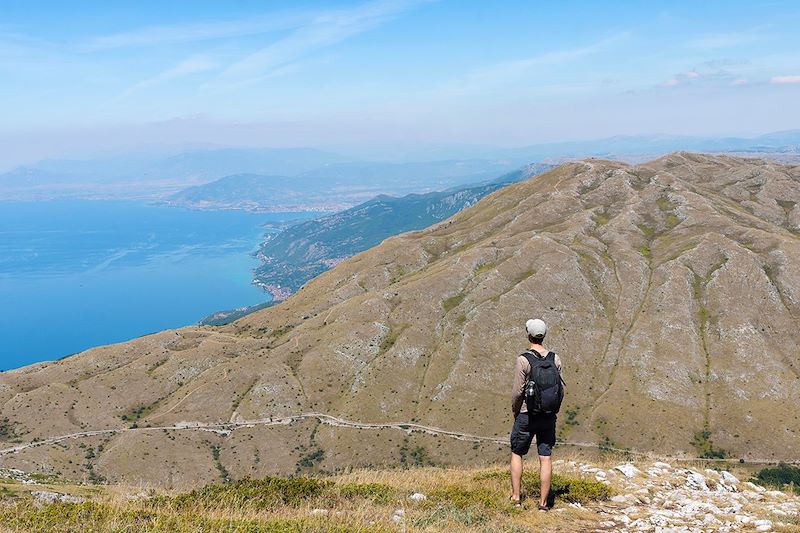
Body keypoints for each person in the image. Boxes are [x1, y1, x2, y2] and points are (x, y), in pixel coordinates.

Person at [509, 318, 563, 510]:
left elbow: (517, 392)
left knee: (517, 453)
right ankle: (543, 504)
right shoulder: (555, 358)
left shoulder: (523, 359)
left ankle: (516, 498)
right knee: (545, 457)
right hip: (548, 415)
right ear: (544, 335)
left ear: (528, 335)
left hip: (526, 414)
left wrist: (516, 411)